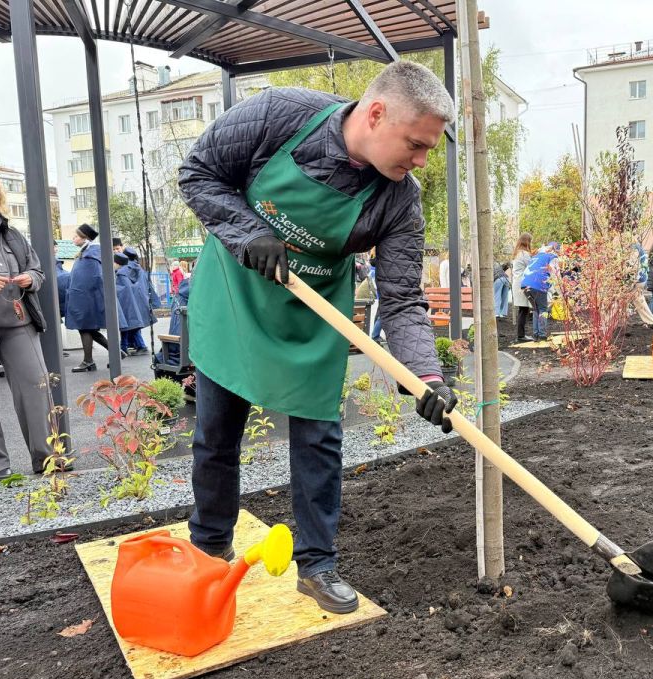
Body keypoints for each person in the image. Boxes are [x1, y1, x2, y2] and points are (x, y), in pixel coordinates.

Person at [178, 61, 459, 615]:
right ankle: (209, 550)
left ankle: (317, 564)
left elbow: (401, 297)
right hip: (235, 292)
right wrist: (249, 233)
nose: (422, 160)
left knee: (318, 440)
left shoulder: (399, 198)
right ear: (376, 114)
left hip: (313, 315)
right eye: (417, 144)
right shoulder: (277, 113)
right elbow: (198, 174)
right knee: (216, 434)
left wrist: (425, 376)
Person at [0, 170, 53, 480]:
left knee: (36, 389)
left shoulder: (13, 235)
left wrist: (31, 279)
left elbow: (37, 270)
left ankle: (49, 458)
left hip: (19, 321)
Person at [65, 224, 124, 372]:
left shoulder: (91, 255)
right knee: (89, 329)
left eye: (77, 236)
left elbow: (92, 279)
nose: (74, 238)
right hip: (84, 298)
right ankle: (115, 353)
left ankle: (89, 361)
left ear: (85, 238)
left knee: (85, 328)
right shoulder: (87, 253)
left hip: (86, 300)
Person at [122, 246, 159, 354]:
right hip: (141, 300)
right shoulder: (139, 268)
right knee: (134, 324)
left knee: (130, 324)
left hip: (131, 301)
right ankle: (134, 345)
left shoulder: (125, 269)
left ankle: (138, 346)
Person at [521, 241, 559, 341]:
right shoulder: (552, 257)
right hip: (538, 284)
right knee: (543, 309)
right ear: (555, 249)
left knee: (536, 309)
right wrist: (559, 291)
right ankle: (542, 334)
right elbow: (556, 274)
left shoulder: (537, 256)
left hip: (525, 285)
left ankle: (536, 334)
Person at [113, 252, 146, 356]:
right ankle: (124, 347)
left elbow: (121, 290)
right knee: (130, 327)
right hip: (131, 303)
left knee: (128, 327)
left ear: (117, 263)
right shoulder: (129, 271)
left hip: (125, 304)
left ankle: (139, 346)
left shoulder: (121, 274)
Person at [632, 241, 653, 331]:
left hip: (636, 280)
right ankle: (652, 322)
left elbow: (633, 266)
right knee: (641, 301)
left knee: (613, 302)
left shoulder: (633, 246)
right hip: (641, 279)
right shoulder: (637, 245)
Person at [511, 233, 533, 342]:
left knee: (522, 309)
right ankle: (521, 335)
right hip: (522, 283)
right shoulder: (524, 254)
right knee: (524, 310)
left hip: (517, 283)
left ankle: (521, 334)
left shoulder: (517, 253)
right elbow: (531, 265)